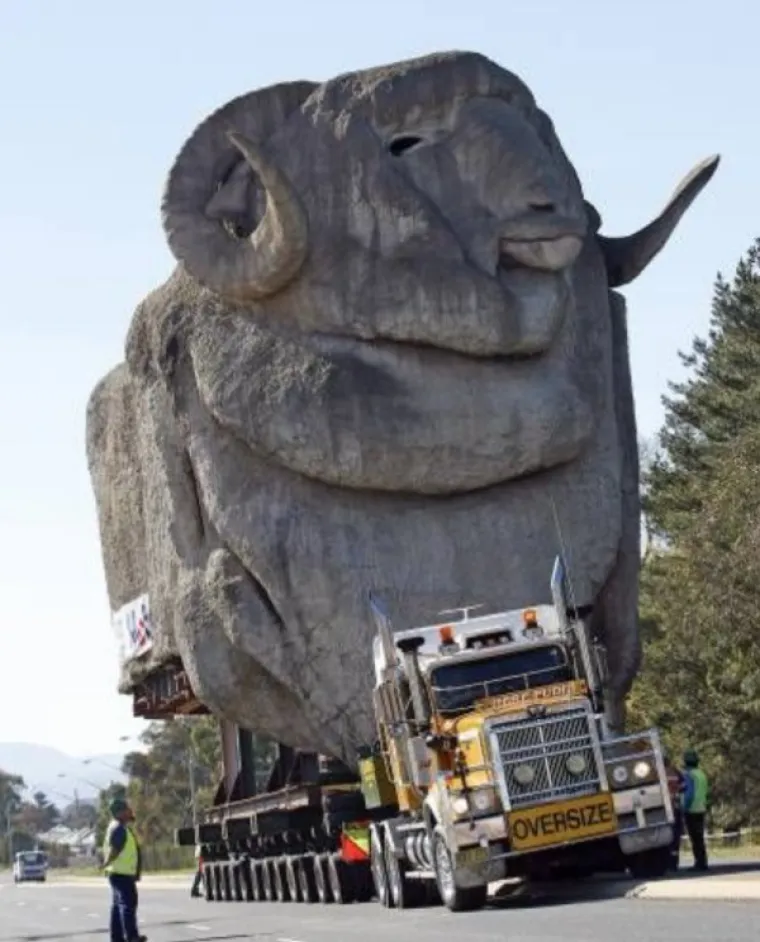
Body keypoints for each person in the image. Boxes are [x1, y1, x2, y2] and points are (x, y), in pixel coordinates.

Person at [101, 797, 147, 942]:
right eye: (127, 809)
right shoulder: (119, 829)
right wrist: (106, 862)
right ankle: (131, 936)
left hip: (117, 872)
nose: (130, 811)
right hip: (121, 874)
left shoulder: (116, 826)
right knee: (128, 904)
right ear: (120, 812)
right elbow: (115, 850)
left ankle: (117, 938)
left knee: (117, 906)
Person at [681, 747, 709, 871]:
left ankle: (699, 863)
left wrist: (684, 807)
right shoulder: (701, 774)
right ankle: (703, 861)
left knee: (695, 838)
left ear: (686, 762)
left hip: (692, 809)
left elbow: (689, 794)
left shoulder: (689, 775)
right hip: (701, 808)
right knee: (700, 837)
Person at [663, 751, 684, 870]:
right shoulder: (675, 771)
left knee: (669, 835)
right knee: (676, 835)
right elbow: (684, 786)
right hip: (675, 806)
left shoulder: (656, 772)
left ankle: (667, 861)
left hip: (665, 809)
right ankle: (674, 863)